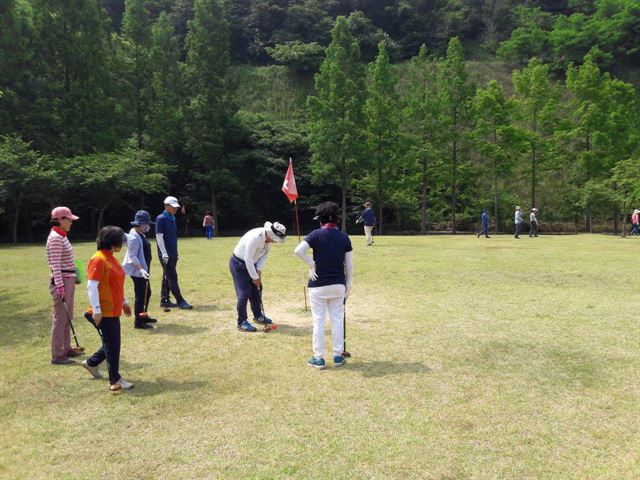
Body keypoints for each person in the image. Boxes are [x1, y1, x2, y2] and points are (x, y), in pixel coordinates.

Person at [295, 202, 353, 369]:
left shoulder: (315, 235)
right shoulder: (344, 237)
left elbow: (298, 250)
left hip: (318, 285)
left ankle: (318, 358)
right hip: (338, 285)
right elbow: (349, 266)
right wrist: (348, 286)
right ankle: (337, 356)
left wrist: (311, 264)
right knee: (337, 320)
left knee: (318, 322)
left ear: (320, 220)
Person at [81, 226, 134, 392]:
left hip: (113, 310)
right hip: (103, 312)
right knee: (113, 344)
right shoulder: (98, 259)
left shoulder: (111, 258)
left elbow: (116, 284)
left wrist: (124, 302)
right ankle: (115, 379)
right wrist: (97, 311)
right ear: (113, 242)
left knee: (112, 343)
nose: (123, 243)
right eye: (121, 240)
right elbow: (91, 286)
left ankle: (91, 363)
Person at [230, 221, 286, 332]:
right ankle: (242, 322)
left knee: (257, 289)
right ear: (270, 234)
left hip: (252, 264)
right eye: (275, 239)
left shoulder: (269, 241)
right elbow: (248, 258)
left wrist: (258, 272)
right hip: (239, 263)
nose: (275, 242)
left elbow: (264, 256)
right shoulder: (255, 237)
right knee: (244, 293)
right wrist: (255, 277)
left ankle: (258, 315)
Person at [46, 206, 81, 365]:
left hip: (69, 279)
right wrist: (60, 287)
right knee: (60, 318)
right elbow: (55, 265)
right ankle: (57, 354)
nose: (71, 222)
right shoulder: (55, 238)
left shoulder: (62, 236)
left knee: (68, 316)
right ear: (60, 219)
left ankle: (66, 348)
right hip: (62, 282)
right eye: (69, 219)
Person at [156, 196, 192, 310]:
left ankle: (164, 300)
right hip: (165, 254)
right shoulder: (161, 218)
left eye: (176, 207)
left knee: (167, 276)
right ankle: (180, 301)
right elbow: (159, 237)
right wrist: (164, 253)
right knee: (172, 277)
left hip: (173, 253)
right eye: (173, 207)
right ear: (166, 206)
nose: (175, 209)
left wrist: (175, 253)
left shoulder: (172, 218)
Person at [122, 210, 156, 329]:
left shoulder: (140, 234)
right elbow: (133, 256)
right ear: (141, 224)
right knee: (141, 294)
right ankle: (138, 322)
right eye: (147, 224)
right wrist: (141, 270)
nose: (148, 226)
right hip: (138, 271)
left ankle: (144, 316)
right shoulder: (134, 237)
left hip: (144, 269)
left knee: (147, 292)